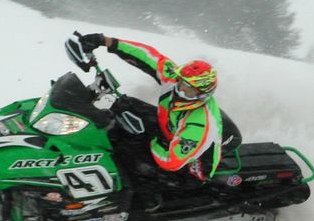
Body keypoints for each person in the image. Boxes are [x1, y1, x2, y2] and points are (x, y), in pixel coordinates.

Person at [77, 32, 223, 183]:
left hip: (190, 168)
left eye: (190, 90)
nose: (181, 91)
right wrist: (107, 41)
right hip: (170, 130)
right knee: (123, 106)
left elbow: (171, 161)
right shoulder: (174, 80)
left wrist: (149, 140)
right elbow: (148, 56)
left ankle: (144, 202)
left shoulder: (200, 124)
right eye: (181, 83)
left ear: (203, 95)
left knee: (129, 154)